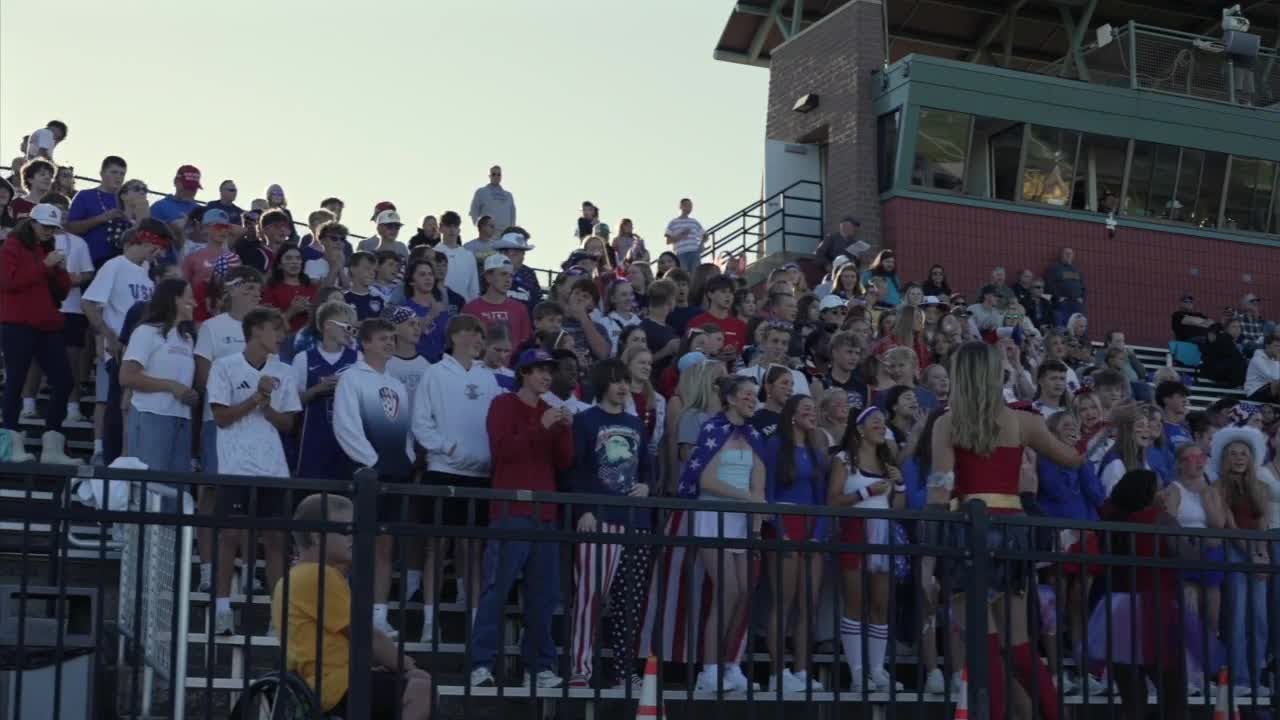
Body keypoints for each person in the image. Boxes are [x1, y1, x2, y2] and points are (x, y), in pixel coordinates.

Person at [930, 342, 1081, 720]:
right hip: (1013, 530)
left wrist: (931, 546)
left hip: (969, 531)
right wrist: (1106, 426)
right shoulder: (1023, 421)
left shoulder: (948, 423)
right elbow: (1073, 458)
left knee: (983, 645)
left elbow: (939, 487)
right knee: (1018, 646)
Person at [271, 494, 433, 720]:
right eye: (346, 530)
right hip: (334, 686)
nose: (354, 537)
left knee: (410, 681)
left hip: (323, 681)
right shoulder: (318, 576)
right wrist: (408, 665)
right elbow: (366, 635)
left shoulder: (294, 577)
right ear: (316, 536)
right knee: (421, 687)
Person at [469, 349, 572, 689]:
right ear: (524, 373)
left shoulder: (549, 411)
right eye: (539, 370)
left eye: (549, 371)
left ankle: (539, 665)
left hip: (545, 512)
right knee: (497, 589)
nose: (546, 376)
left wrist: (563, 429)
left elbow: (564, 460)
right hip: (510, 511)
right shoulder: (503, 405)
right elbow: (503, 451)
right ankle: (481, 663)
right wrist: (540, 426)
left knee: (544, 595)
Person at [207, 307, 301, 634]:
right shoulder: (224, 366)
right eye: (276, 329)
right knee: (230, 536)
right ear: (257, 330)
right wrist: (256, 396)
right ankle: (220, 610)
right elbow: (221, 417)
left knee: (276, 540)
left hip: (274, 469)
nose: (282, 335)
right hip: (235, 466)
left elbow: (288, 423)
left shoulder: (285, 371)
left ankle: (278, 616)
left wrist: (268, 404)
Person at [678, 375, 766, 693]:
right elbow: (707, 481)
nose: (752, 400)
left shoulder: (754, 434)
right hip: (712, 516)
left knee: (744, 592)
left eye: (754, 395)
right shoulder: (714, 429)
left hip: (741, 521)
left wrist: (756, 527)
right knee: (727, 589)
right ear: (729, 398)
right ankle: (709, 668)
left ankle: (730, 664)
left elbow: (759, 482)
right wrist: (747, 498)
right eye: (745, 395)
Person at [332, 318, 416, 639]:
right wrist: (371, 461)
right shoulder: (351, 379)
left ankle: (378, 616)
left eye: (392, 339)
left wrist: (405, 457)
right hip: (365, 474)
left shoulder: (396, 384)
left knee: (385, 546)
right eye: (383, 339)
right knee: (356, 546)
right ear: (365, 343)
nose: (389, 344)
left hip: (396, 472)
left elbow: (404, 429)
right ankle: (350, 612)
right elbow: (346, 425)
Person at [412, 315, 500, 617]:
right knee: (436, 547)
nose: (478, 340)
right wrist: (446, 448)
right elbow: (420, 422)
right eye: (473, 334)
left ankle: (475, 619)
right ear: (456, 336)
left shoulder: (488, 377)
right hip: (443, 471)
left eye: (481, 335)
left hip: (480, 475)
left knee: (475, 550)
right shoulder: (434, 374)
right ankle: (428, 621)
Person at [1085, 470, 1188, 720]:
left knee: (1131, 698)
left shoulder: (1111, 518)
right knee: (1174, 694)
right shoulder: (1161, 520)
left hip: (1119, 611)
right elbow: (1188, 555)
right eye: (1159, 489)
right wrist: (1174, 516)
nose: (1164, 494)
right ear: (1147, 493)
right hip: (1156, 611)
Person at [829, 406, 903, 692]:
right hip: (855, 531)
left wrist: (901, 484)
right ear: (859, 428)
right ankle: (858, 672)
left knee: (880, 605)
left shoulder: (888, 464)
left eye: (883, 422)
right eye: (875, 421)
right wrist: (865, 493)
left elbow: (899, 508)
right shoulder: (844, 459)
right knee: (855, 603)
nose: (881, 426)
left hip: (882, 532)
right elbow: (833, 501)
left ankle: (877, 669)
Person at [0, 208, 79, 463]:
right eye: (44, 225)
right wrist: (44, 266)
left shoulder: (48, 250)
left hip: (47, 324)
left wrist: (59, 270)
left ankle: (52, 446)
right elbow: (8, 282)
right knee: (15, 380)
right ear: (31, 222)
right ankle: (11, 443)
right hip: (17, 323)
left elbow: (63, 292)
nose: (48, 230)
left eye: (52, 227)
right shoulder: (11, 246)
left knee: (64, 380)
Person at [761, 394, 827, 693]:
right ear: (791, 415)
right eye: (806, 410)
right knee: (783, 603)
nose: (812, 414)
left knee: (808, 605)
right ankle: (778, 673)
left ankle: (802, 670)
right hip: (785, 528)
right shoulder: (776, 445)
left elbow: (822, 496)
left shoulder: (815, 450)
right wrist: (778, 528)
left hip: (811, 528)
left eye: (814, 410)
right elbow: (768, 492)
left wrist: (820, 532)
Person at [83, 221, 165, 461]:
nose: (159, 252)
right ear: (143, 240)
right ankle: (111, 461)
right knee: (117, 407)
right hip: (122, 350)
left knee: (134, 408)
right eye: (156, 246)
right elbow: (89, 304)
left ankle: (131, 460)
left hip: (147, 352)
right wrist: (110, 337)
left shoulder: (149, 272)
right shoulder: (115, 266)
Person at [1208, 427, 1273, 697]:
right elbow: (1229, 525)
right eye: (1233, 453)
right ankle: (1240, 677)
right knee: (1237, 615)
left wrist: (1262, 553)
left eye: (1243, 453)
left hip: (1257, 550)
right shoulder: (1219, 486)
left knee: (1259, 616)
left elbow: (1263, 522)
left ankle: (1256, 677)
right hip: (1234, 551)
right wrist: (1251, 553)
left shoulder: (1261, 487)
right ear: (1225, 457)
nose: (1238, 458)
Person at [119, 277, 198, 472]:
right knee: (152, 487)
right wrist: (171, 386)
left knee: (177, 490)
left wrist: (190, 393)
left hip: (182, 418)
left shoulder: (187, 338)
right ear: (175, 300)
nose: (195, 303)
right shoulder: (146, 332)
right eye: (190, 298)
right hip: (151, 415)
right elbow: (127, 377)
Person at [291, 300, 359, 480]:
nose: (351, 332)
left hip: (348, 443)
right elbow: (291, 404)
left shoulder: (358, 359)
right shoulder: (303, 359)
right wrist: (316, 390)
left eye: (353, 327)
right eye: (346, 326)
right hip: (313, 441)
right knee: (309, 498)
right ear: (328, 326)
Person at [65, 155, 129, 267]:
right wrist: (101, 218)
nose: (118, 177)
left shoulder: (127, 199)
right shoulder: (85, 196)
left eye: (122, 174)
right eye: (114, 172)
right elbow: (71, 228)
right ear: (102, 173)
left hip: (121, 264)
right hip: (90, 263)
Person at [463, 254, 532, 350]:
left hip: (512, 364)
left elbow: (525, 342)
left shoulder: (520, 309)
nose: (508, 280)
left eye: (511, 276)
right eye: (503, 274)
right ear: (488, 277)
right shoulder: (471, 308)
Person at [689, 275, 747, 367]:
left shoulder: (740, 325)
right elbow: (690, 356)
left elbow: (744, 356)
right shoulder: (696, 323)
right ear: (710, 294)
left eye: (731, 292)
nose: (728, 296)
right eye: (723, 292)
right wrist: (715, 358)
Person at [401, 257, 451, 363]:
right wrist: (431, 315)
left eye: (430, 274)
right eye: (422, 275)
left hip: (441, 366)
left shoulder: (442, 308)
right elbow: (411, 335)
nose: (428, 278)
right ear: (411, 282)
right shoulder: (404, 310)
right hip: (417, 366)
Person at [262, 245, 317, 334]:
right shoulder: (271, 289)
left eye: (298, 258)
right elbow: (269, 325)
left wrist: (310, 310)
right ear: (279, 264)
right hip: (283, 340)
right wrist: (292, 311)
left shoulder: (312, 287)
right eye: (288, 258)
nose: (294, 262)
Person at [435, 211, 480, 301]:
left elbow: (474, 287)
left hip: (464, 307)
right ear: (440, 228)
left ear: (459, 230)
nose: (452, 230)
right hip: (440, 306)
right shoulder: (433, 252)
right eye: (448, 226)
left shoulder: (468, 255)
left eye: (455, 226)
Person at [150, 165, 203, 240]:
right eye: (187, 187)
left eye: (193, 188)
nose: (190, 191)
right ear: (175, 182)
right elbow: (149, 237)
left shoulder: (201, 210)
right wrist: (172, 229)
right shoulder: (159, 207)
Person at [1044, 247, 1085, 327]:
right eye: (1066, 253)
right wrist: (1058, 297)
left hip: (1076, 303)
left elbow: (1083, 287)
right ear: (1061, 255)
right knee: (1063, 326)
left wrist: (1082, 298)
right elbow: (1049, 285)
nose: (1068, 255)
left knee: (1078, 326)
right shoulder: (1054, 268)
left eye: (1070, 254)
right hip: (1063, 303)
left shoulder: (1077, 270)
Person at [468, 165, 516, 233]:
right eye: (493, 174)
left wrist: (511, 231)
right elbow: (474, 210)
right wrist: (480, 227)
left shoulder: (508, 196)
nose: (496, 176)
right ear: (489, 176)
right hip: (488, 233)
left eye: (499, 174)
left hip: (504, 234)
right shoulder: (481, 192)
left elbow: (513, 215)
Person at [664, 198, 705, 272]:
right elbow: (668, 241)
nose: (689, 208)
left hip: (694, 252)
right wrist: (681, 235)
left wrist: (701, 245)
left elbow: (705, 235)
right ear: (681, 206)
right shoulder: (673, 223)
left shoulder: (694, 222)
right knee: (684, 274)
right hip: (681, 253)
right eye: (687, 205)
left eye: (690, 206)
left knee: (695, 274)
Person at [1244, 331, 1280, 402]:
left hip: (1270, 390)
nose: (1279, 349)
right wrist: (1277, 360)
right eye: (1276, 346)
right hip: (1255, 391)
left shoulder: (1273, 359)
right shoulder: (1257, 359)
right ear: (1267, 346)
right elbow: (1274, 378)